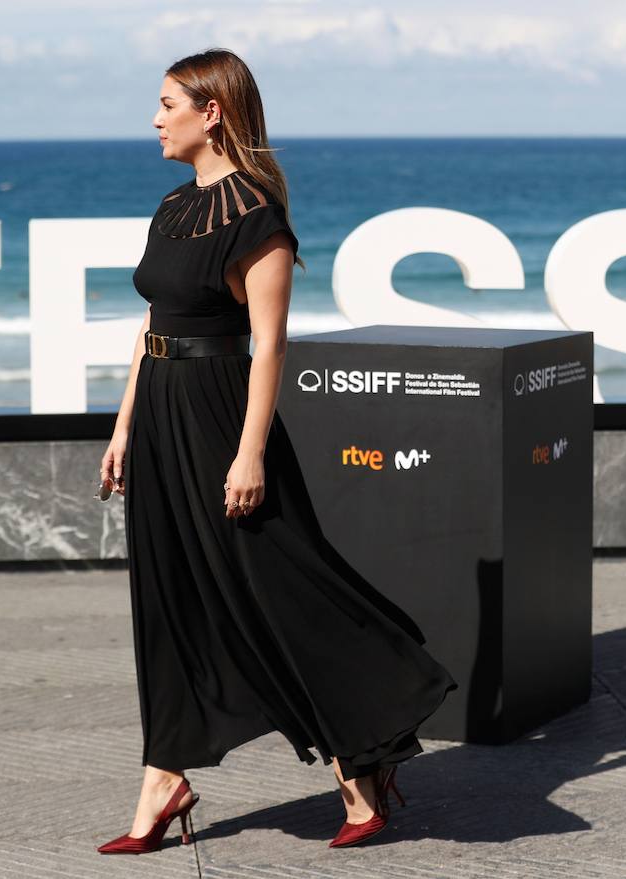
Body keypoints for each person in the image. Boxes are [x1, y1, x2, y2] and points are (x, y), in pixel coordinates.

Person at [96, 48, 455, 854]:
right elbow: (154, 325)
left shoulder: (257, 215)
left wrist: (250, 453)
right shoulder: (170, 208)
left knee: (278, 587)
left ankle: (362, 759)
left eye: (165, 104)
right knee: (170, 599)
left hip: (224, 417)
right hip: (160, 414)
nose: (154, 119)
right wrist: (123, 426)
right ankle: (165, 776)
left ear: (211, 111)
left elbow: (269, 346)